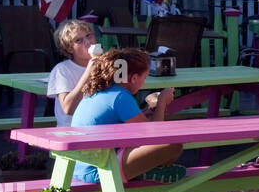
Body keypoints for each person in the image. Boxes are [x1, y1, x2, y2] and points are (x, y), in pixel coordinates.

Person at [71, 48, 184, 184]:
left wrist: (148, 112)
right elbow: (154, 136)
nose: (144, 82)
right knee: (174, 144)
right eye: (145, 77)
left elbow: (130, 125)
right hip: (101, 170)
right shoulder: (121, 96)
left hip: (82, 168)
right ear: (134, 78)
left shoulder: (99, 91)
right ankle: (145, 171)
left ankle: (145, 171)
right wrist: (162, 103)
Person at [45, 20, 98, 126]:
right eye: (79, 40)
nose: (87, 42)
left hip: (102, 127)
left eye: (89, 36)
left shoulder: (107, 65)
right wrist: (89, 72)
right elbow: (68, 108)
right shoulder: (62, 70)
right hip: (72, 129)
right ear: (69, 48)